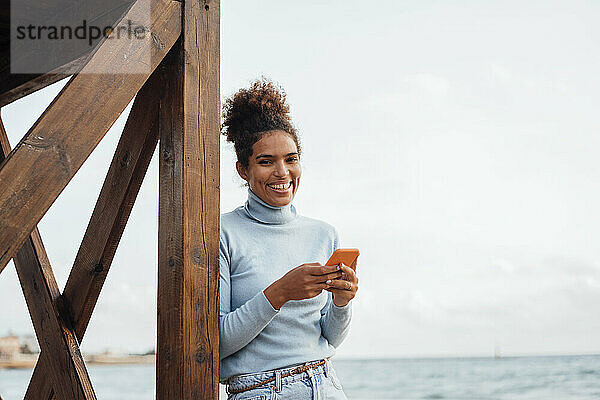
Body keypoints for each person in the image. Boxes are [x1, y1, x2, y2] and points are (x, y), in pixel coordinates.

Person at [219, 78, 359, 400]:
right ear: (243, 169)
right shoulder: (221, 233)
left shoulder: (324, 234)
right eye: (266, 161)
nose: (282, 172)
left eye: (291, 159)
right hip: (259, 390)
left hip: (327, 385)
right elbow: (217, 342)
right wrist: (280, 292)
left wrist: (342, 302)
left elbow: (331, 338)